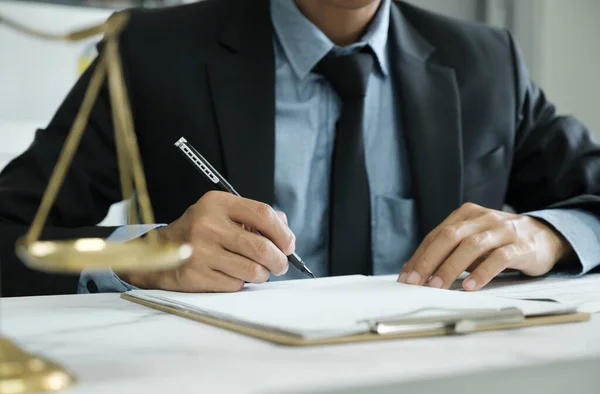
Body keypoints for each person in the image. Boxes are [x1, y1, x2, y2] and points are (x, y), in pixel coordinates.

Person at [1, 0, 599, 297]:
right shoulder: (150, 52)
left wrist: (548, 234)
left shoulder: (486, 62)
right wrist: (146, 254)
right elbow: (10, 231)